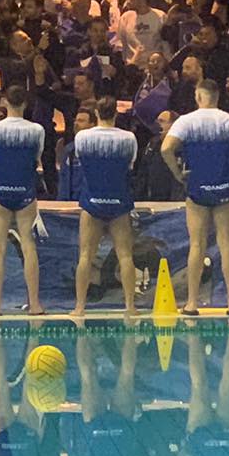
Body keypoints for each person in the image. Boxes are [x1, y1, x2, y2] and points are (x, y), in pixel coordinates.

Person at [162, 84, 229, 315]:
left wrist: (177, 173)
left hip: (197, 186)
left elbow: (166, 148)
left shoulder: (186, 121)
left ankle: (192, 303)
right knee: (226, 245)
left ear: (199, 96)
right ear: (217, 97)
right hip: (225, 186)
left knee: (196, 245)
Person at [0, 87, 47, 316]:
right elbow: (37, 158)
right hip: (25, 191)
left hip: (1, 189)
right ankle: (35, 304)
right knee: (28, 246)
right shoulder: (37, 130)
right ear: (25, 104)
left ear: (5, 102)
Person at [71, 98, 138, 318]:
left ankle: (79, 307)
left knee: (85, 256)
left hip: (92, 201)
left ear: (97, 113)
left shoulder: (82, 138)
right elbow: (130, 167)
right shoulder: (129, 139)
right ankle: (130, 306)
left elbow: (82, 163)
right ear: (116, 114)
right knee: (125, 255)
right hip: (119, 201)